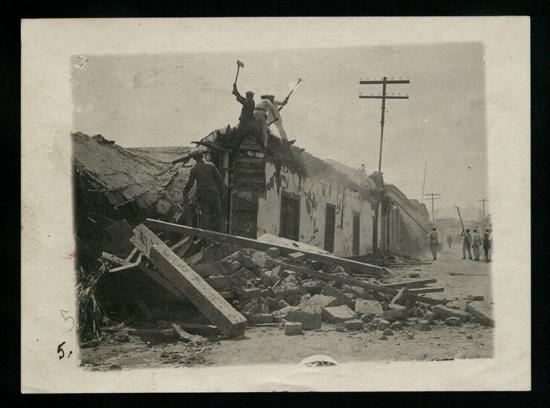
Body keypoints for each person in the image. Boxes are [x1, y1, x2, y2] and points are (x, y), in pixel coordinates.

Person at [182, 149, 225, 232]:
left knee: (205, 216)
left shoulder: (194, 169)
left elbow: (190, 184)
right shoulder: (211, 165)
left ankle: (207, 239)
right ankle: (221, 236)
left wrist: (185, 190)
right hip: (214, 194)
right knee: (218, 215)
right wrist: (222, 192)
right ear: (202, 156)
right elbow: (220, 180)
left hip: (203, 195)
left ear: (194, 159)